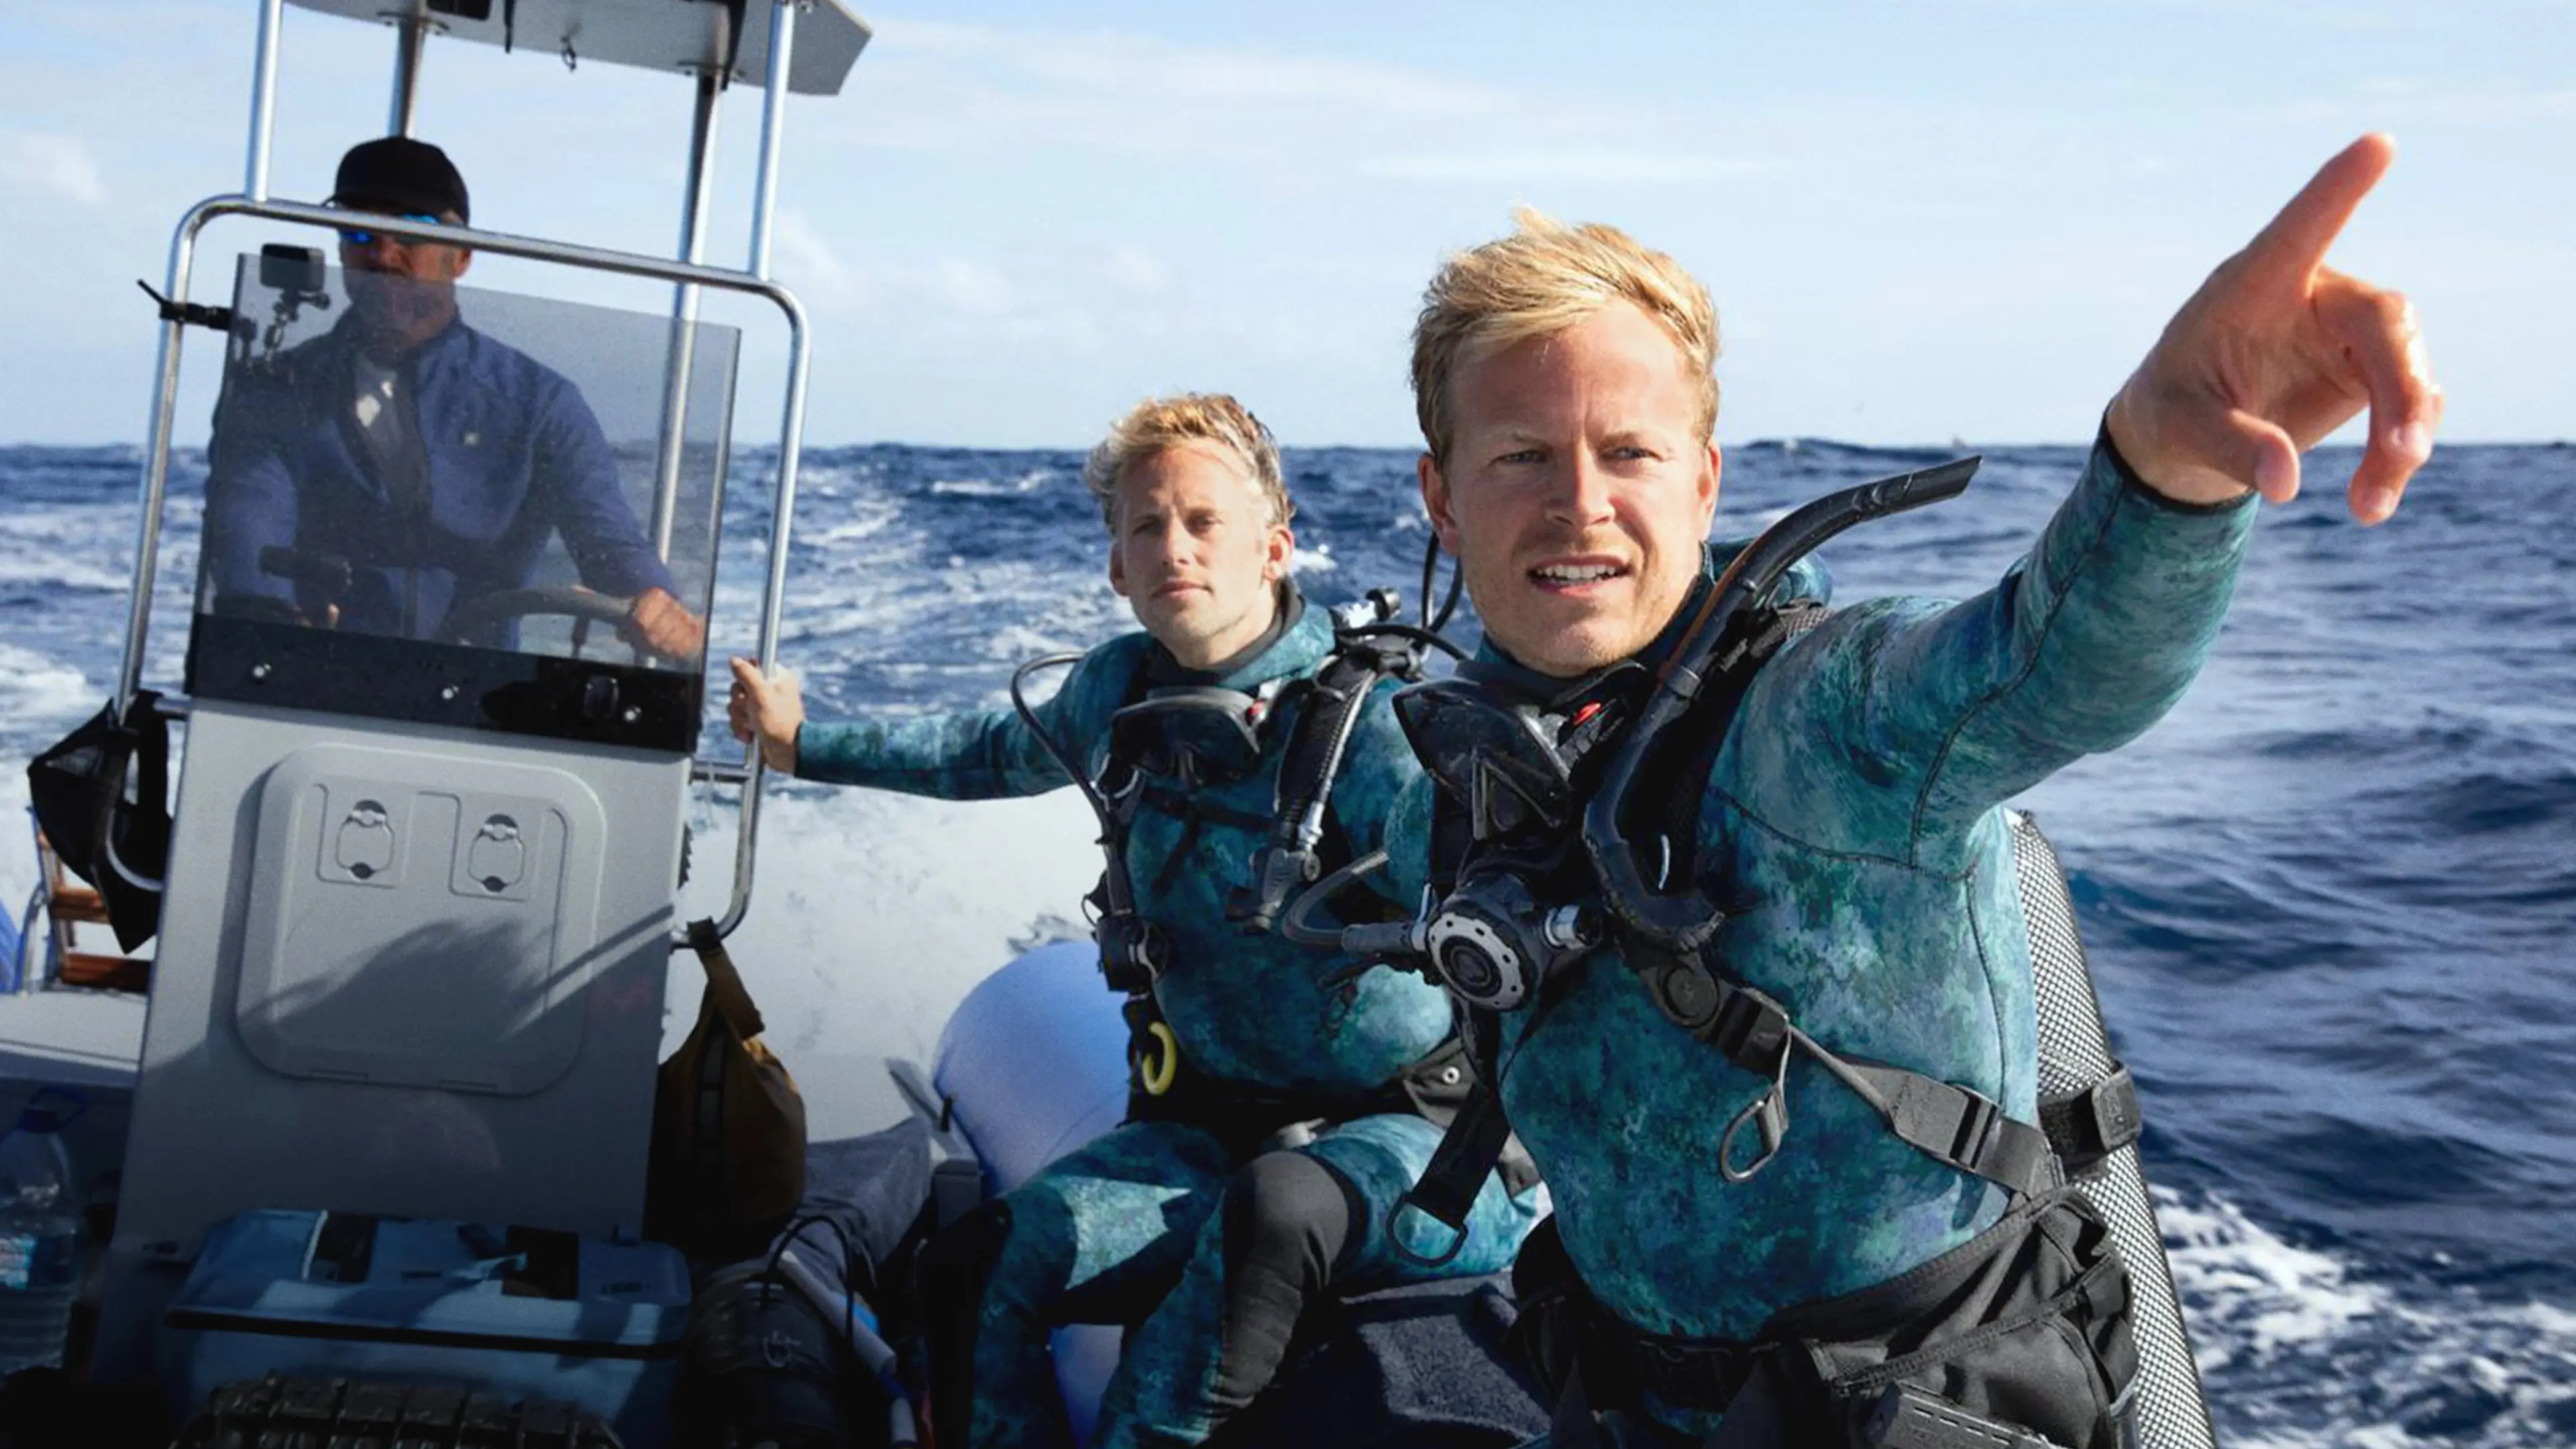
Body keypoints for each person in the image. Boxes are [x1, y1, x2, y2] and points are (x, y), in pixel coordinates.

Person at [1375, 134, 2440, 1447]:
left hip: (1904, 1410)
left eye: (1629, 453)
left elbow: (2053, 664)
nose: (1579, 503)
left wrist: (2168, 475)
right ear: (1440, 496)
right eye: (1521, 457)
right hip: (1618, 1396)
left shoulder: (1836, 712)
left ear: (1705, 481)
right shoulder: (1464, 770)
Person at [726, 394, 1542, 1448]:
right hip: (1198, 1131)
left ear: (1276, 544)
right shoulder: (1117, 696)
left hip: (1413, 1150)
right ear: (1116, 567)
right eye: (1147, 527)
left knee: (1278, 1212)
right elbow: (979, 753)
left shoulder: (1377, 734)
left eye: (1205, 521)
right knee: (971, 1270)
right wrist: (800, 744)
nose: (1175, 549)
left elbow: (1502, 895)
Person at [199, 136, 704, 659]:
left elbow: (607, 538)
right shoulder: (276, 389)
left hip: (479, 701)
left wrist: (654, 601)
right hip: (309, 679)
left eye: (413, 230)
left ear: (462, 256)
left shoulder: (539, 404)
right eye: (359, 230)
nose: (384, 254)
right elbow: (248, 524)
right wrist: (263, 614)